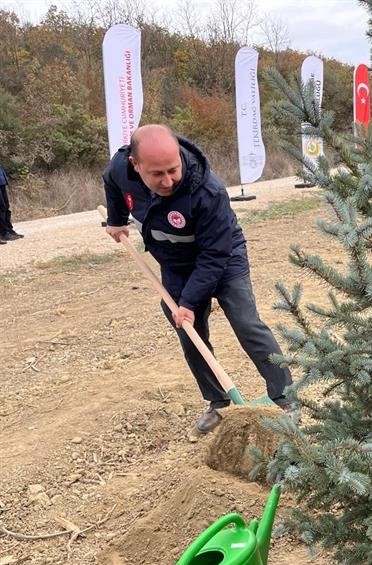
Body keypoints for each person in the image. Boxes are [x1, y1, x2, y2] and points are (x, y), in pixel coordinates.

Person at [103, 124, 298, 432]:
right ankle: (218, 402)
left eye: (173, 170)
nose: (168, 181)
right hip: (175, 263)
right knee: (189, 333)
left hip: (223, 256)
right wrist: (116, 220)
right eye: (157, 174)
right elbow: (111, 182)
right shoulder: (119, 167)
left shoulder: (208, 191)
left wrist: (189, 302)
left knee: (246, 322)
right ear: (135, 165)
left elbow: (214, 256)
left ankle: (286, 397)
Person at [0, 164, 24, 243]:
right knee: (1, 208)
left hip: (1, 181)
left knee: (6, 207)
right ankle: (3, 233)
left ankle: (8, 230)